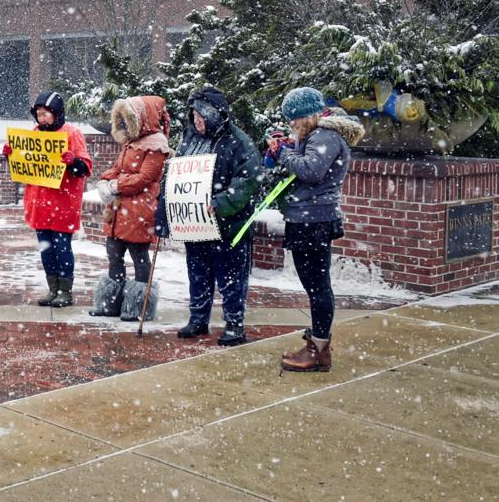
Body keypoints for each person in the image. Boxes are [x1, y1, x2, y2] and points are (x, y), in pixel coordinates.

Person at [154, 87, 263, 346]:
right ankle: (198, 318)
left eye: (201, 117)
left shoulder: (239, 141)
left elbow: (249, 180)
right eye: (194, 117)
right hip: (196, 225)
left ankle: (235, 324)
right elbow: (174, 177)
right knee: (198, 274)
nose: (196, 122)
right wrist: (164, 213)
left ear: (215, 114)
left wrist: (222, 202)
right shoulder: (190, 140)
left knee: (232, 278)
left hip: (228, 225)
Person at [266, 87, 363, 372]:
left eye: (294, 119)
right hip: (305, 218)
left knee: (318, 287)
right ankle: (318, 344)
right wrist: (279, 152)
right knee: (313, 286)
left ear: (308, 115)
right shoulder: (313, 136)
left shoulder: (325, 136)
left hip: (315, 220)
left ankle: (319, 350)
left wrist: (284, 152)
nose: (292, 124)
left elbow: (311, 170)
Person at [3, 90, 93, 307]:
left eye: (46, 114)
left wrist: (72, 162)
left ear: (57, 114)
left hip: (63, 204)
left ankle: (65, 290)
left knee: (62, 248)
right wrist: (11, 155)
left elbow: (85, 167)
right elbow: (27, 165)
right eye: (39, 114)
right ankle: (53, 288)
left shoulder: (72, 134)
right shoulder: (34, 134)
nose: (41, 118)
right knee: (46, 248)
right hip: (40, 204)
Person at [90, 95, 170, 321]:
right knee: (114, 254)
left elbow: (145, 178)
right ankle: (111, 303)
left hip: (139, 210)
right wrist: (105, 180)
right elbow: (118, 167)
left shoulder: (155, 146)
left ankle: (137, 306)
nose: (123, 125)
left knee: (138, 256)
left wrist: (116, 185)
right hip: (119, 210)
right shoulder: (131, 143)